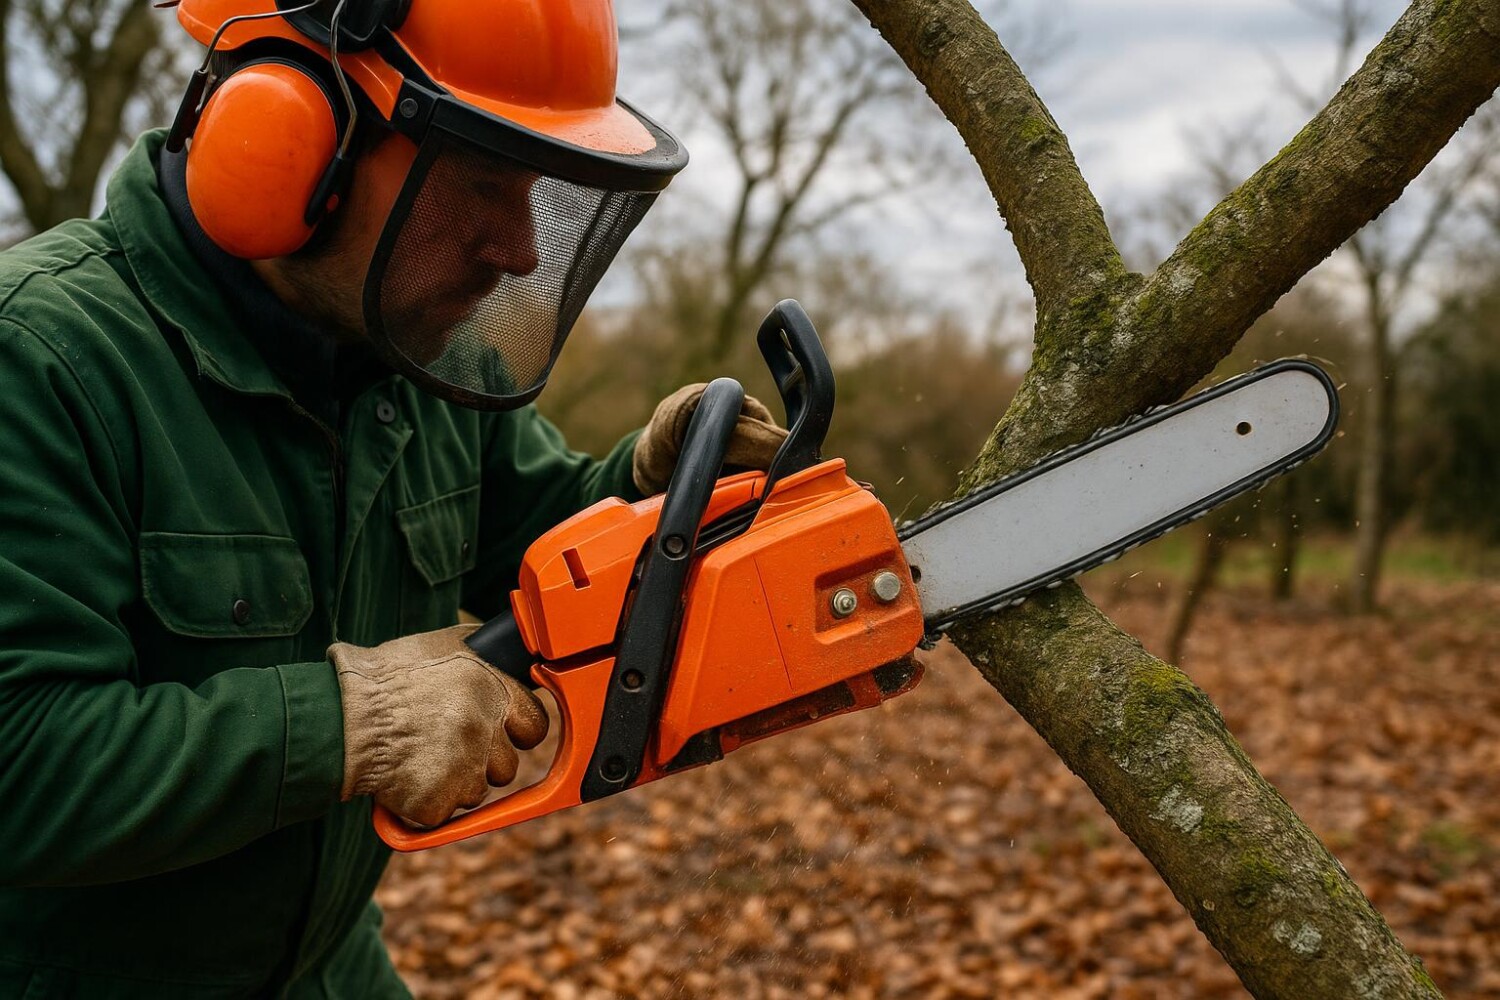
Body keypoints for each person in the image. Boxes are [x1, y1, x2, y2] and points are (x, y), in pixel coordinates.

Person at [0, 0, 785, 995]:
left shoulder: (413, 361)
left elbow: (543, 545)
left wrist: (643, 484)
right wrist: (351, 726)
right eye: (483, 182)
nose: (520, 248)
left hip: (323, 969)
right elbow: (17, 760)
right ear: (293, 136)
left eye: (534, 189)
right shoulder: (40, 358)